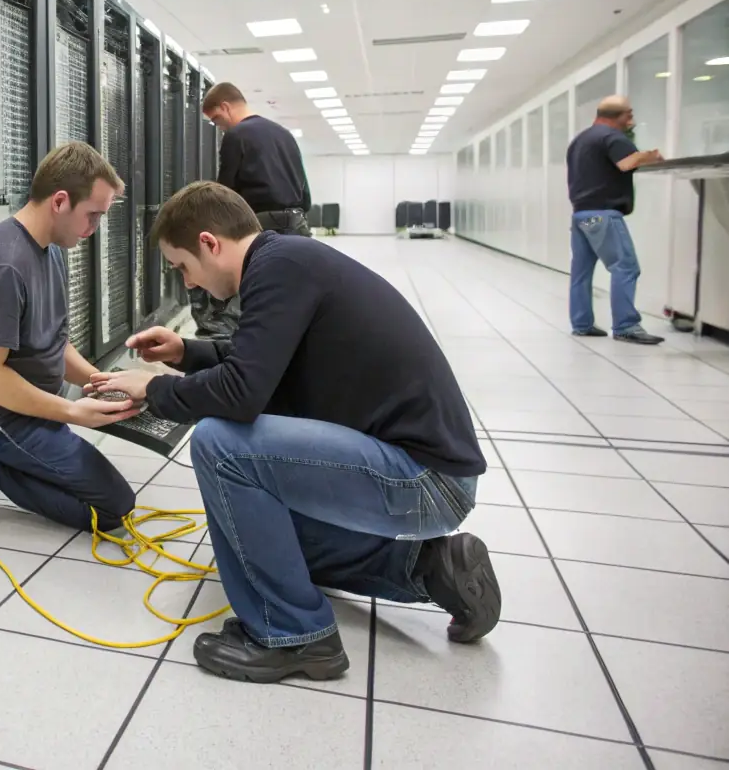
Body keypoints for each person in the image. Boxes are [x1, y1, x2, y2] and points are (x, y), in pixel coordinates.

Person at [91, 182, 500, 684]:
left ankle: (294, 634)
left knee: (220, 444)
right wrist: (183, 353)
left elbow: (243, 393)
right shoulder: (284, 261)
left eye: (183, 266)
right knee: (264, 541)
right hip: (424, 471)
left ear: (210, 242)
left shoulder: (279, 269)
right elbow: (260, 362)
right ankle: (430, 568)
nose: (189, 284)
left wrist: (155, 390)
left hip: (423, 481)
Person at [0, 142, 138, 531]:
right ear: (60, 201)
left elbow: (54, 341)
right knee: (113, 510)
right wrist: (73, 412)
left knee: (109, 499)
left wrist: (101, 383)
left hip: (37, 407)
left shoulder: (49, 250)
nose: (93, 229)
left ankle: (1, 457)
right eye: (93, 216)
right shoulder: (2, 265)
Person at [190, 82, 312, 339]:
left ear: (226, 106)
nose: (219, 126)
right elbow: (305, 191)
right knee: (291, 297)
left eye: (217, 119)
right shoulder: (284, 135)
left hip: (261, 226)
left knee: (250, 302)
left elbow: (225, 194)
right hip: (298, 226)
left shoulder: (237, 136)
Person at [567, 95, 665, 345]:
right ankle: (626, 326)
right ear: (620, 116)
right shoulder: (612, 137)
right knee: (625, 267)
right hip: (603, 214)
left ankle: (582, 324)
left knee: (581, 272)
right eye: (629, 115)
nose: (631, 121)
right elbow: (626, 163)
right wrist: (648, 156)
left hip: (582, 215)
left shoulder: (580, 139)